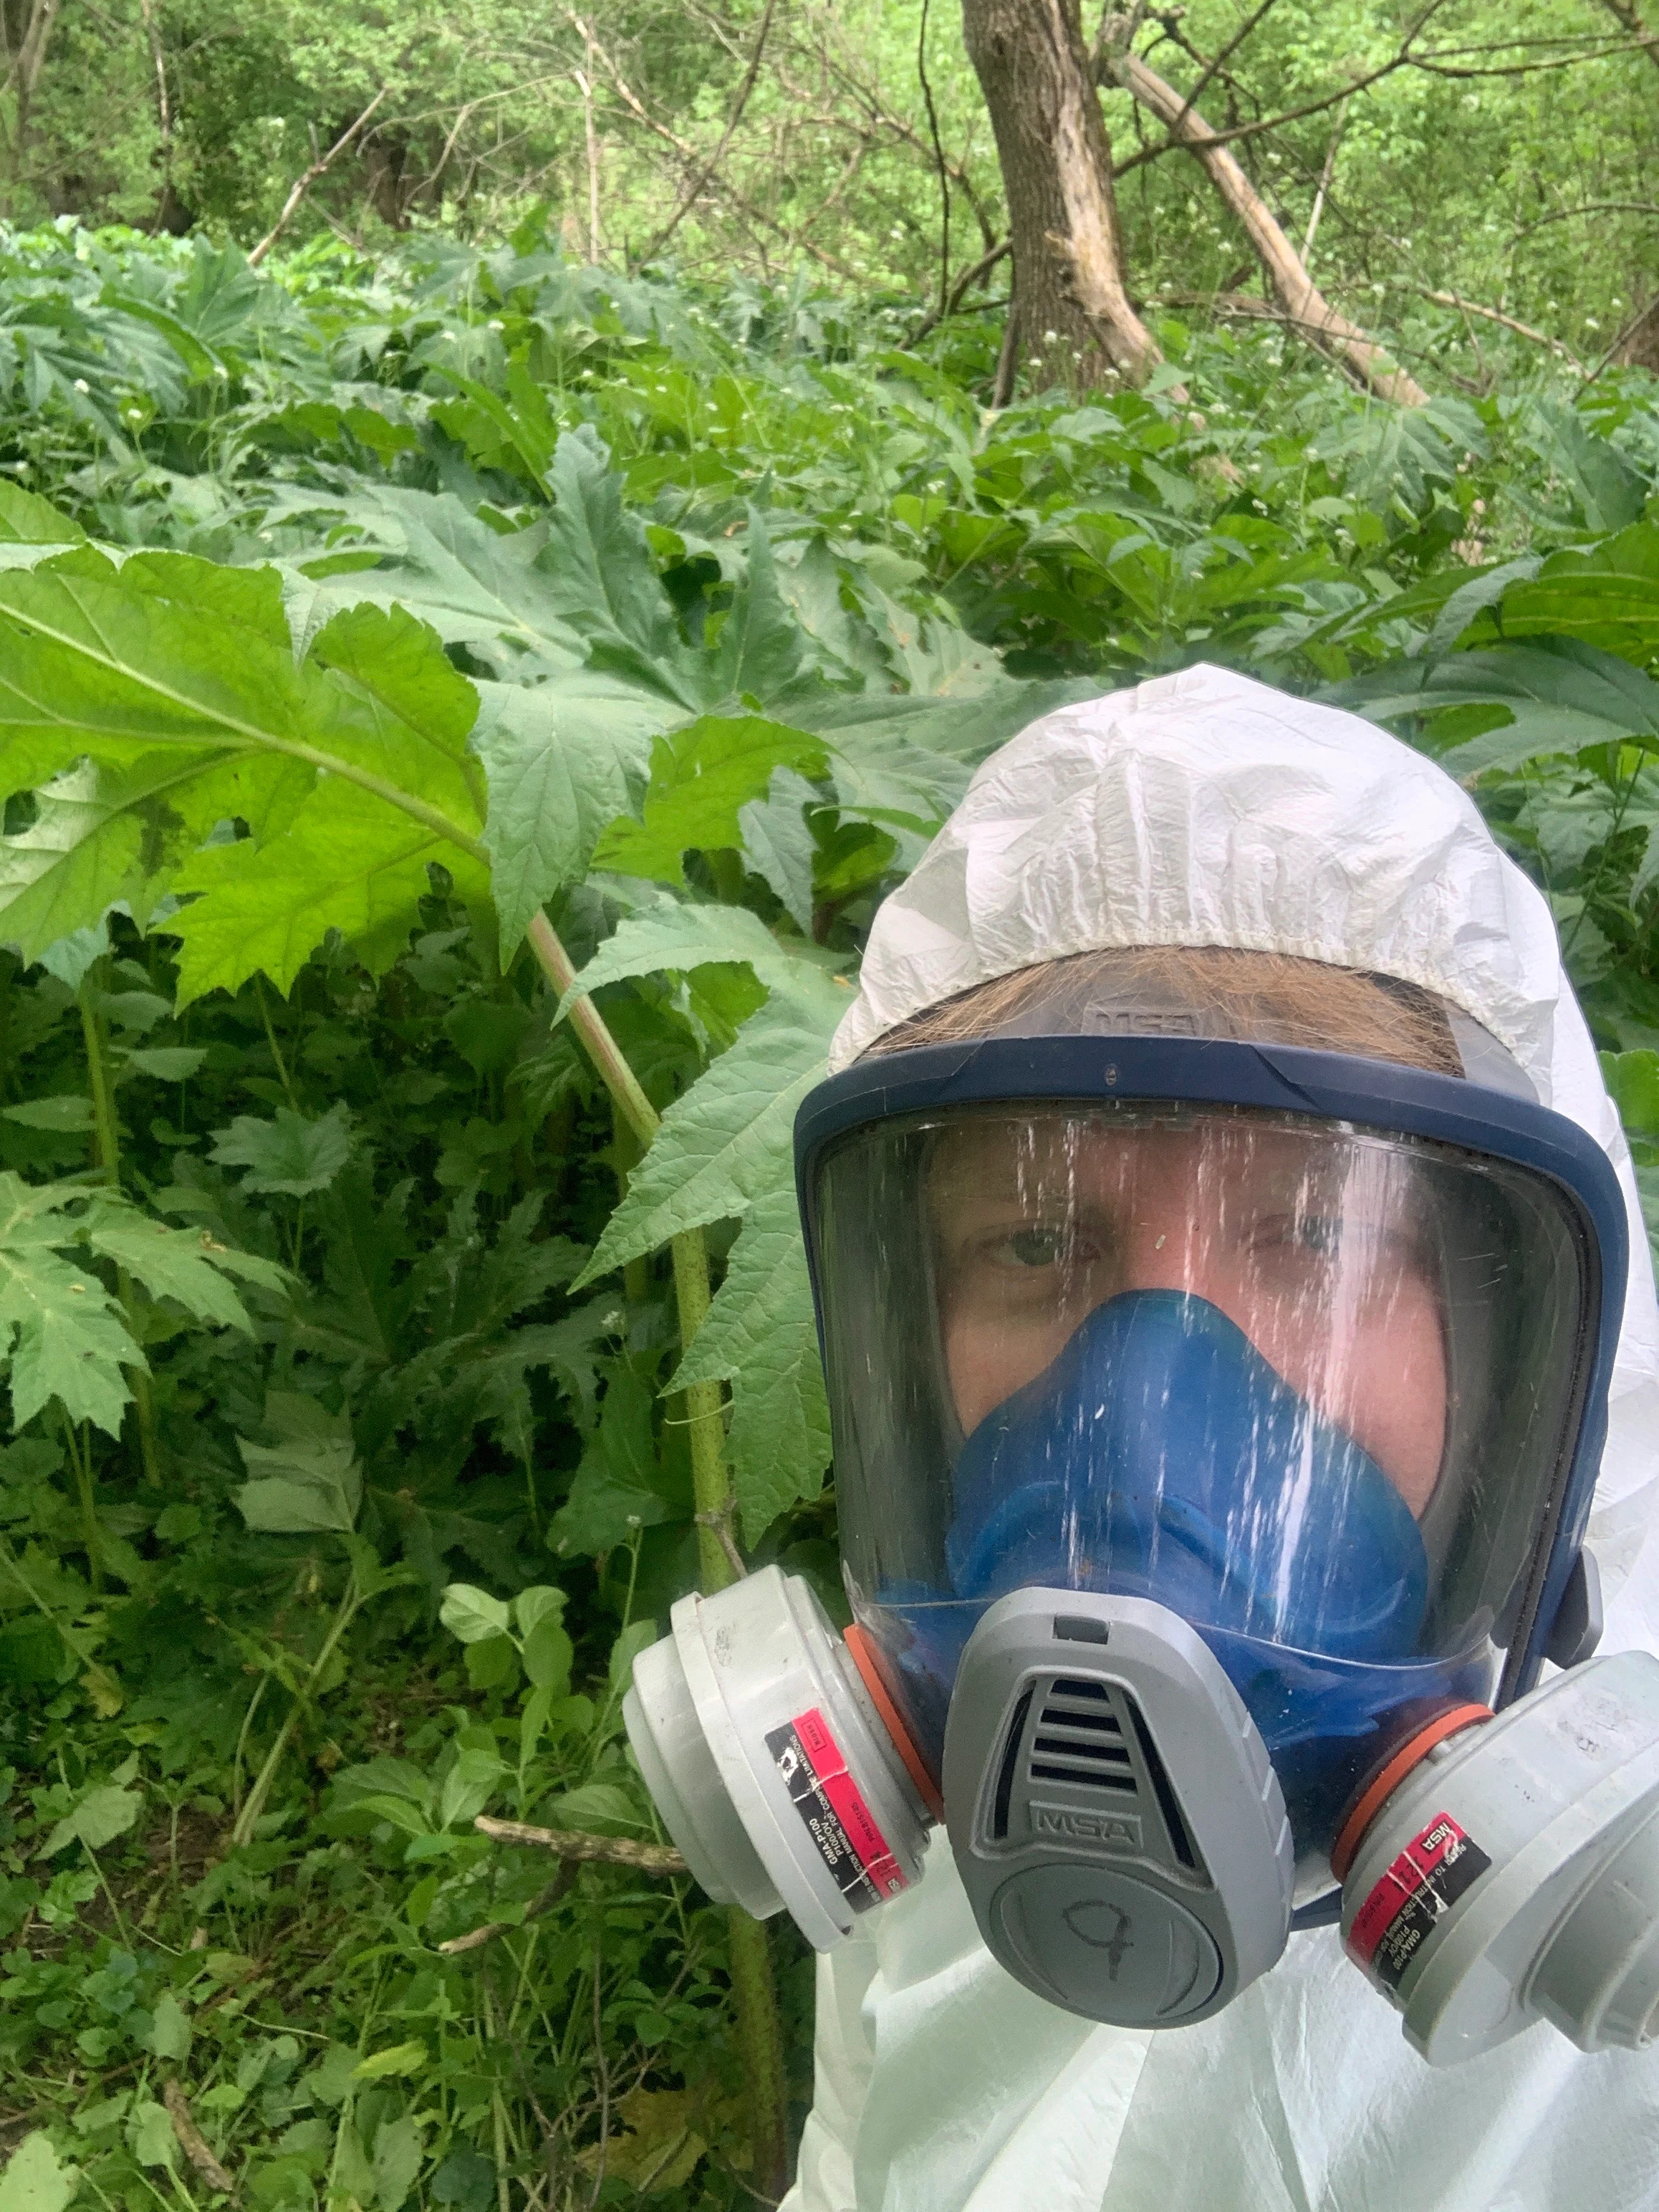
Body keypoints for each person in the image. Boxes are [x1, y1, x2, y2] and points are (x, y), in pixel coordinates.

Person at [776, 663, 1659, 2212]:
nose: (1145, 1403)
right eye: (1037, 1245)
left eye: (1316, 1237)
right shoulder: (934, 1869)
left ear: (1532, 1359)